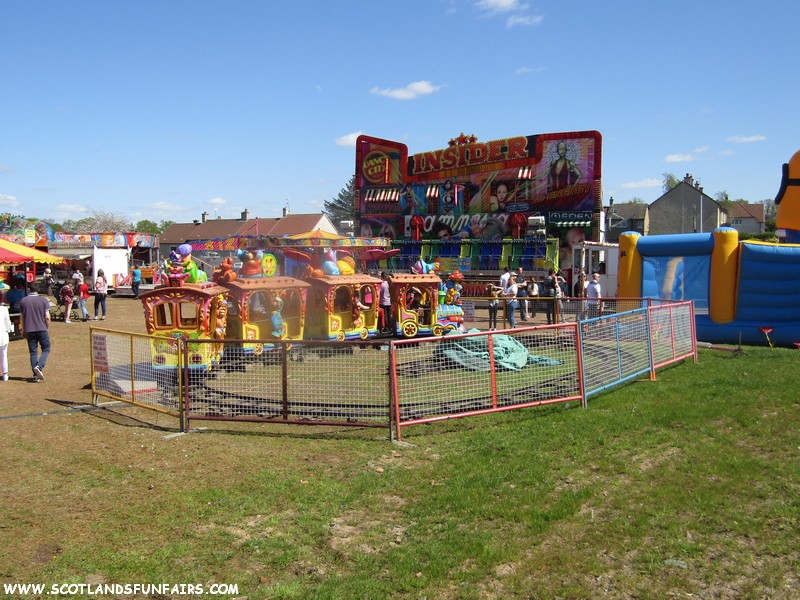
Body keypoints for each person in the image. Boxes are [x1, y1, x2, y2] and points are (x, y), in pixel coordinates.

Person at [19, 281, 51, 382]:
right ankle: (39, 366)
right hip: (41, 328)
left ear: (29, 289)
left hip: (29, 329)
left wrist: (23, 330)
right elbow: (47, 317)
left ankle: (35, 375)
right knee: (46, 348)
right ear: (39, 290)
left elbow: (22, 317)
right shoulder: (43, 300)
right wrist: (47, 327)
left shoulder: (23, 301)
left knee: (33, 352)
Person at [0, 294, 12, 380]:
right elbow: (8, 322)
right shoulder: (4, 309)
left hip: (3, 334)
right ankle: (5, 375)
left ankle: (5, 374)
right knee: (4, 355)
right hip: (3, 335)